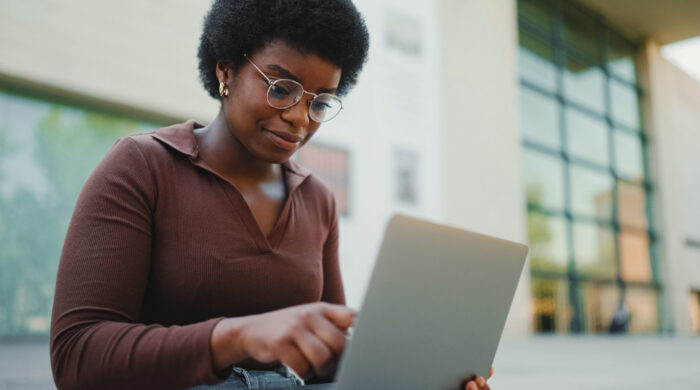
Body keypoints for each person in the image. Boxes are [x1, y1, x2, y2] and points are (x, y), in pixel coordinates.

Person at [49, 1, 492, 389]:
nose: (300, 117)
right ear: (226, 70)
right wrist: (237, 336)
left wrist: (423, 375)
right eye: (281, 89)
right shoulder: (143, 166)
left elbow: (330, 362)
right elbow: (76, 357)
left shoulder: (317, 199)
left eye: (320, 102)